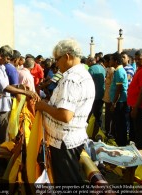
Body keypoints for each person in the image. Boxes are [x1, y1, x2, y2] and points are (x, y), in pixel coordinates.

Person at [35, 39, 95, 183]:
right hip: (71, 138)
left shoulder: (71, 79)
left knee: (67, 183)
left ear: (67, 56)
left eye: (57, 59)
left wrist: (43, 106)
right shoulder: (82, 74)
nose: (56, 63)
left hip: (64, 141)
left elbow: (65, 115)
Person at [0, 45, 40, 144]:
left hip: (4, 104)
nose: (8, 61)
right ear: (0, 56)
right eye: (7, 58)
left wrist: (20, 87)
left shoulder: (2, 66)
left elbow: (8, 85)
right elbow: (5, 87)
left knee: (3, 134)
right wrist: (25, 92)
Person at [109, 52, 128, 146]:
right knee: (118, 124)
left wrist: (114, 103)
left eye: (111, 60)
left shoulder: (120, 71)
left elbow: (119, 90)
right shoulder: (118, 70)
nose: (109, 61)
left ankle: (121, 143)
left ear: (115, 61)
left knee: (120, 124)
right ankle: (120, 142)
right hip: (118, 102)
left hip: (119, 102)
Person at [87, 56, 106, 139]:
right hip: (102, 93)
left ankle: (93, 133)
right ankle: (99, 132)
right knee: (99, 114)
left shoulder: (90, 69)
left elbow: (87, 82)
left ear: (91, 62)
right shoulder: (102, 68)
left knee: (92, 115)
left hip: (93, 95)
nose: (87, 64)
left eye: (88, 62)